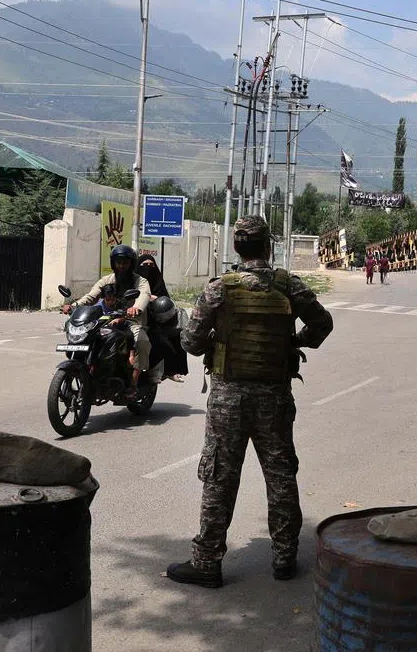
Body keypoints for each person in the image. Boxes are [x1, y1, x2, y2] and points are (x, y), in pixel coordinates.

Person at [167, 215, 334, 589]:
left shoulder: (218, 289)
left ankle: (207, 561)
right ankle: (284, 558)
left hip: (228, 397)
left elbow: (191, 343)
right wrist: (294, 342)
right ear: (268, 246)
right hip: (274, 397)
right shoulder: (288, 285)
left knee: (219, 477)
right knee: (280, 475)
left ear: (236, 247)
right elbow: (322, 324)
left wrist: (216, 341)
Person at [64, 244, 151, 398]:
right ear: (113, 263)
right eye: (118, 262)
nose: (121, 265)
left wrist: (135, 308)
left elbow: (144, 295)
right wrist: (74, 306)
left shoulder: (140, 281)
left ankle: (133, 384)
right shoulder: (107, 280)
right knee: (87, 336)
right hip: (107, 320)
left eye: (125, 262)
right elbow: (91, 296)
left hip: (132, 321)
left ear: (131, 263)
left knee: (141, 341)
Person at [137, 255, 185, 381]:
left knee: (173, 338)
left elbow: (166, 301)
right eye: (145, 265)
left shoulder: (158, 282)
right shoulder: (134, 281)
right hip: (136, 320)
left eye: (151, 265)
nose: (148, 269)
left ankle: (171, 371)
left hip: (157, 322)